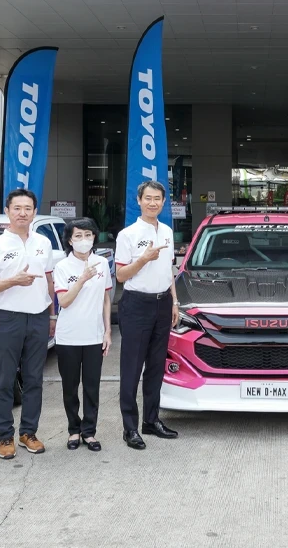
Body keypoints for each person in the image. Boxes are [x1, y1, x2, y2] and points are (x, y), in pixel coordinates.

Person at [0, 189, 55, 459]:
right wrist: (14, 280)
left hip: (38, 316)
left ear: (34, 212)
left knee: (34, 378)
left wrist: (52, 315)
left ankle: (28, 433)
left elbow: (49, 280)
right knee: (4, 378)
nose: (22, 213)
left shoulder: (43, 242)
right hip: (8, 317)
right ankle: (4, 436)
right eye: (17, 208)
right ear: (7, 211)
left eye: (27, 208)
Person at [115, 180, 180, 450]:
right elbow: (120, 275)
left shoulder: (167, 231)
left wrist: (174, 301)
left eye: (158, 199)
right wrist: (143, 259)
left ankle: (151, 420)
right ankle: (130, 427)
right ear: (139, 201)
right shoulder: (127, 235)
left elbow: (169, 270)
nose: (153, 203)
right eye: (148, 198)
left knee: (156, 365)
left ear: (164, 202)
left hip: (163, 303)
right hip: (136, 305)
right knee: (132, 368)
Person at [53, 217, 113, 452]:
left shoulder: (101, 262)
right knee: (70, 387)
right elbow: (64, 301)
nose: (84, 240)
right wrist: (81, 279)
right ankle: (73, 430)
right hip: (68, 337)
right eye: (78, 236)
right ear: (70, 240)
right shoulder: (62, 266)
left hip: (94, 336)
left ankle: (89, 432)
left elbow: (106, 299)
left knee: (92, 387)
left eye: (88, 235)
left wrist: (107, 331)